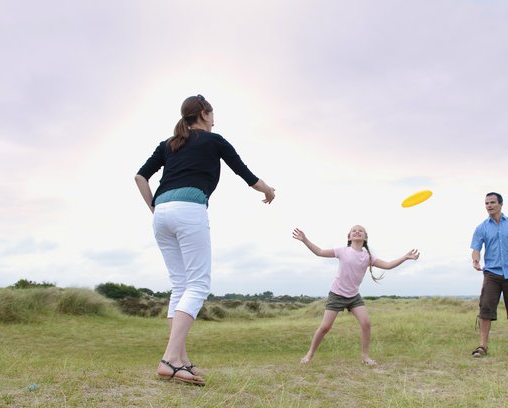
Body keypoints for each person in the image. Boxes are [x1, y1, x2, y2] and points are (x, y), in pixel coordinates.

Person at [135, 94, 275, 385]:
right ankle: (170, 359)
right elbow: (246, 175)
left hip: (161, 213)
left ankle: (181, 359)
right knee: (198, 284)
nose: (215, 119)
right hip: (189, 209)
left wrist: (154, 207)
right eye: (212, 113)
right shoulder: (215, 140)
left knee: (180, 285)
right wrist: (268, 192)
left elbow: (140, 177)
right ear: (202, 113)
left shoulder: (169, 144)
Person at [293, 225, 419, 365]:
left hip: (353, 296)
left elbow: (388, 265)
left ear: (365, 238)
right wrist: (305, 240)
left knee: (366, 323)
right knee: (325, 327)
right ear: (349, 237)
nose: (357, 232)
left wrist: (405, 257)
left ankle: (365, 356)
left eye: (361, 231)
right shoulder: (342, 251)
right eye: (354, 230)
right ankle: (309, 354)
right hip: (337, 294)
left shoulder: (367, 257)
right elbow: (320, 252)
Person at [470, 192, 508, 358]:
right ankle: (482, 346)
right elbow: (476, 248)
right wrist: (475, 261)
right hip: (492, 273)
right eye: (486, 203)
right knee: (485, 309)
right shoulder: (481, 228)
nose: (489, 205)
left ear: (500, 204)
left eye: (492, 202)